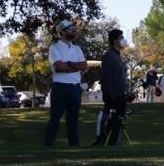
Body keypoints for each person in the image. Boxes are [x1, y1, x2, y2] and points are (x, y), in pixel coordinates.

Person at [44, 19, 87, 147]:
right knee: (54, 120)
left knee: (73, 120)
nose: (74, 31)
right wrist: (75, 66)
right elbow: (59, 67)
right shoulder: (54, 48)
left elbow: (84, 65)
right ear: (62, 32)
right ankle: (48, 146)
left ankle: (74, 146)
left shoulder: (77, 48)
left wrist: (68, 64)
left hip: (75, 88)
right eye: (70, 29)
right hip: (60, 88)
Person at [94, 28, 135, 146]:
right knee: (111, 121)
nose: (123, 40)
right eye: (121, 38)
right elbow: (106, 78)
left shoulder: (118, 56)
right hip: (113, 97)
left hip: (121, 96)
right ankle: (104, 142)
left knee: (118, 122)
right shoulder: (109, 56)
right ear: (115, 40)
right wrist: (111, 96)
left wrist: (126, 93)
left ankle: (115, 143)